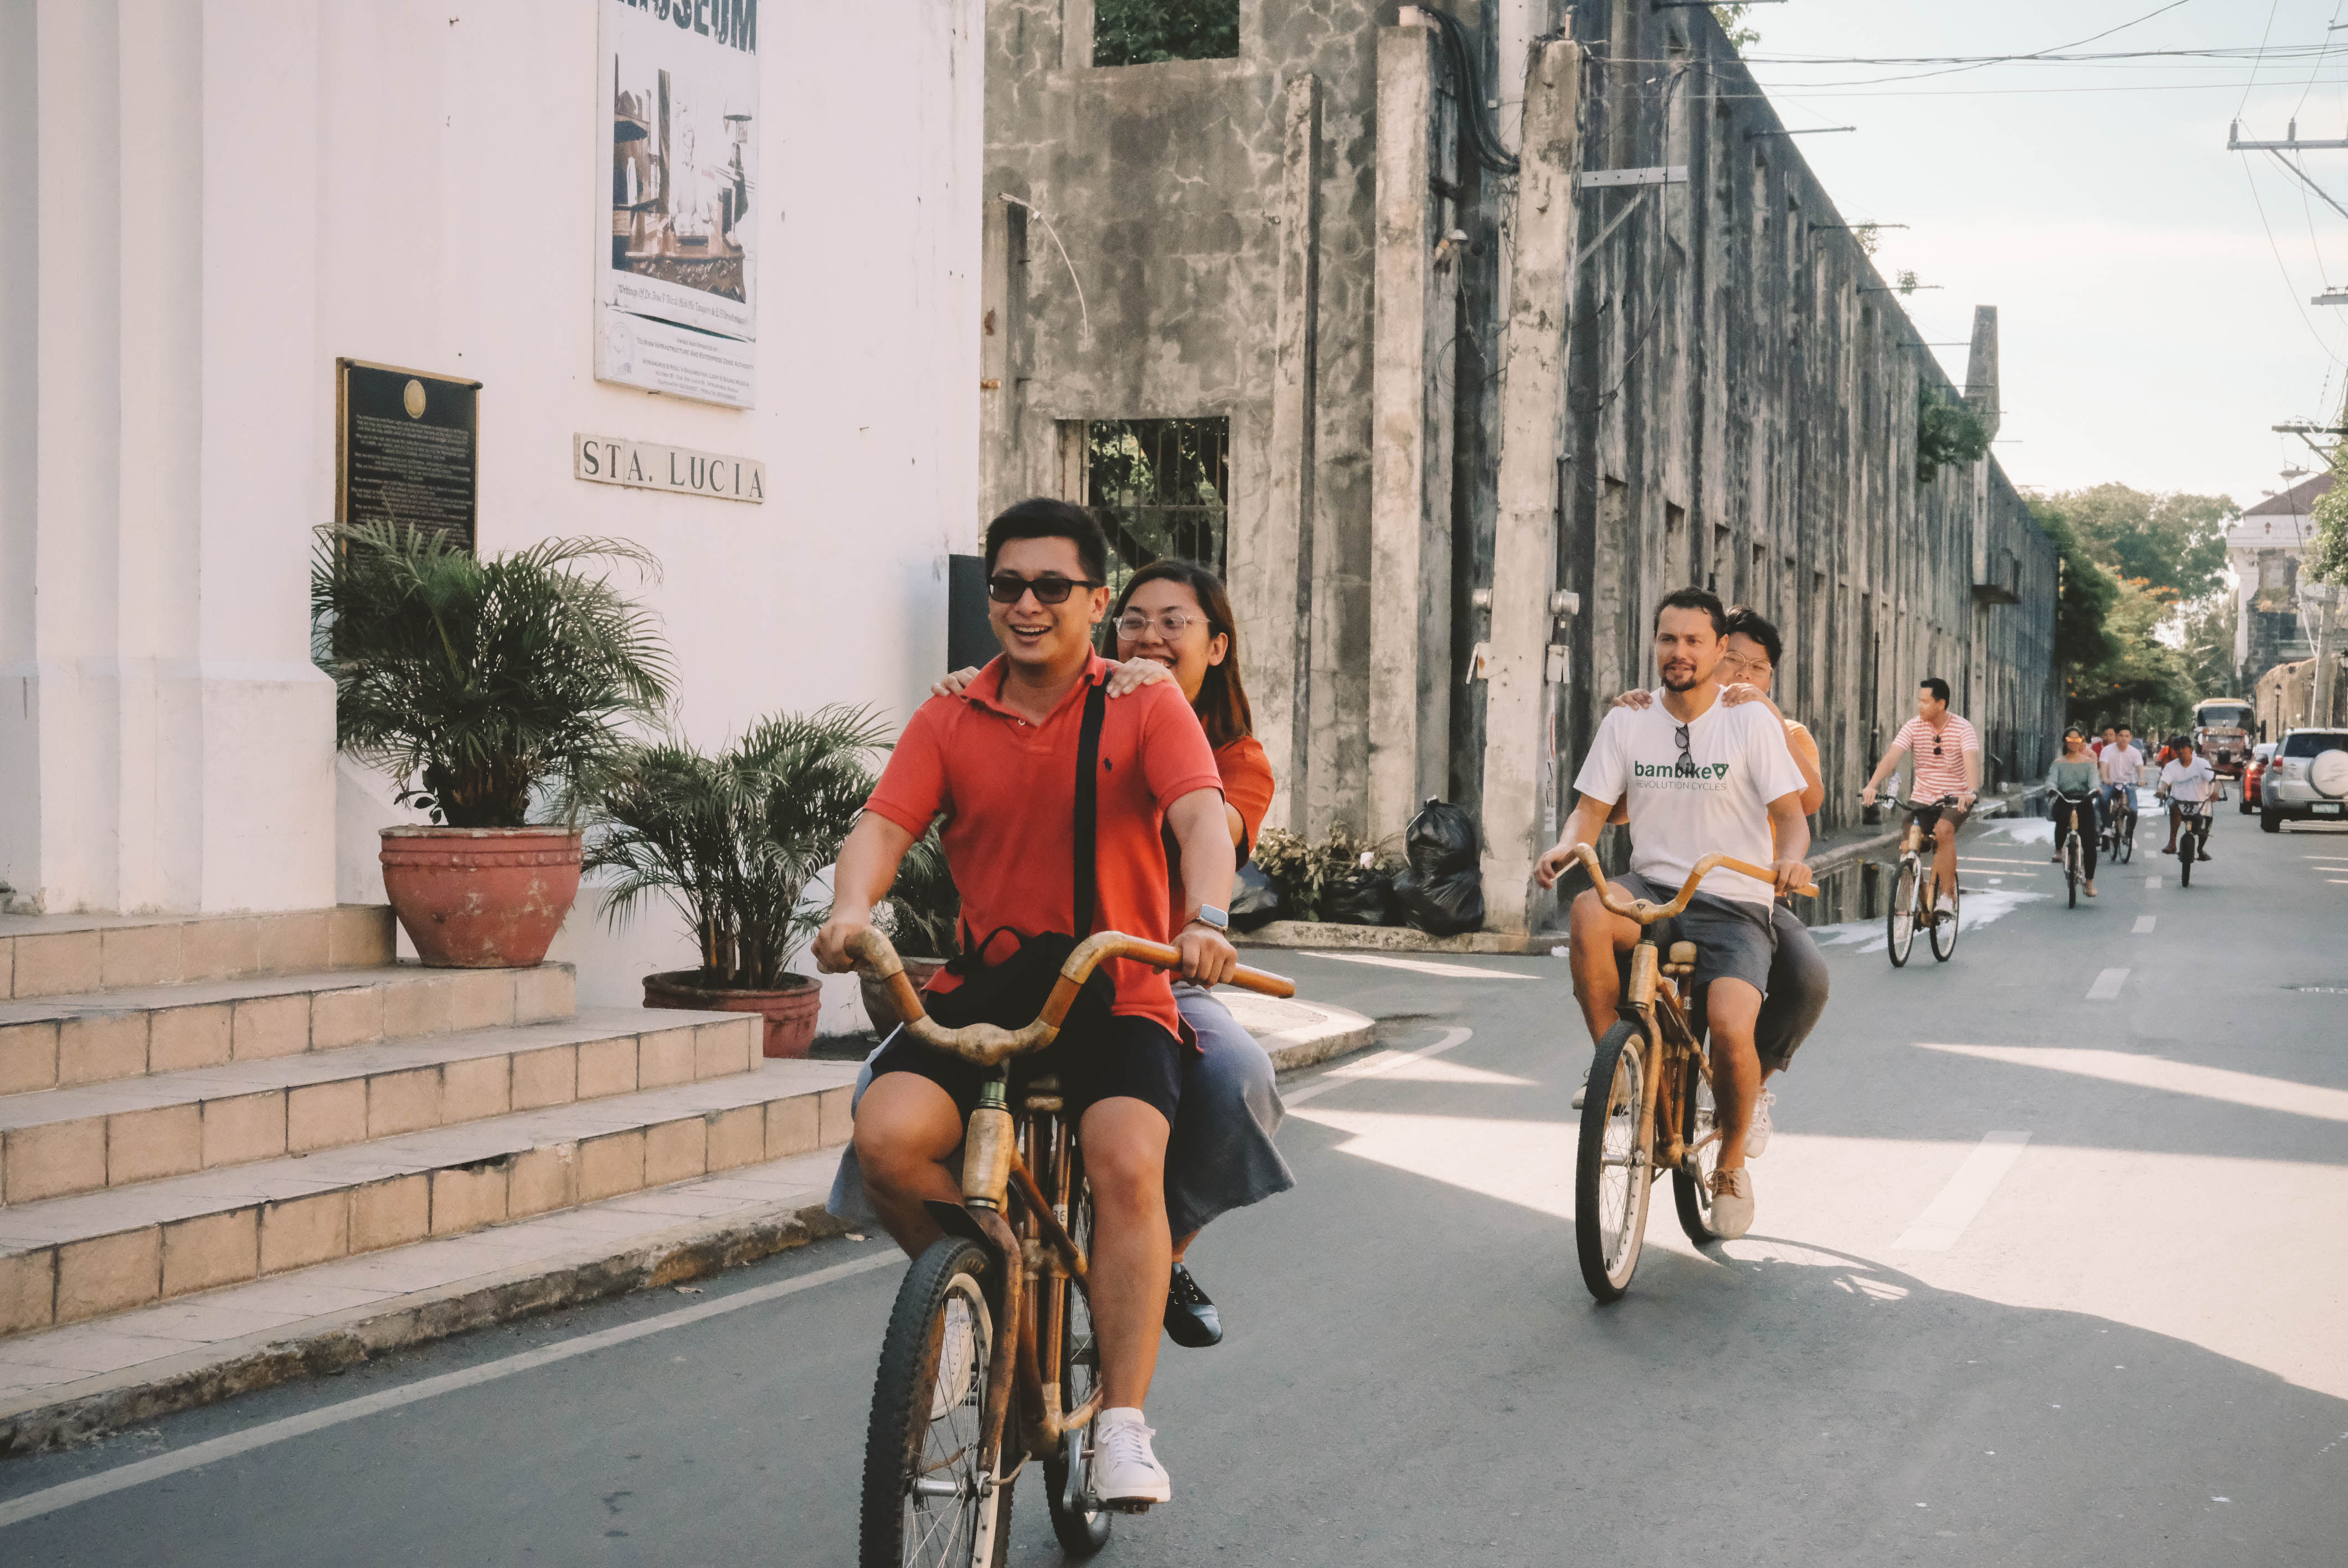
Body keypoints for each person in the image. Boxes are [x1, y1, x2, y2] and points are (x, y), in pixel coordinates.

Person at [813, 498, 1238, 1508]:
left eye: (1054, 586)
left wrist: (1208, 914)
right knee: (887, 1139)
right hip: (989, 984)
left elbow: (1198, 816)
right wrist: (848, 908)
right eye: (1008, 585)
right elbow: (884, 823)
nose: (1028, 604)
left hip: (1117, 978)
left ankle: (1124, 1425)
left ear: (1097, 600)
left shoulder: (1144, 702)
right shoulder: (952, 713)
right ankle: (983, 1303)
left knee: (1128, 1161)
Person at [926, 559, 1293, 1350]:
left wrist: (1204, 923)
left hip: (1160, 973)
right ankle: (958, 1275)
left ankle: (1164, 1251)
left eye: (1174, 623)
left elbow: (1206, 829)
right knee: (891, 1087)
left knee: (1240, 1080)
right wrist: (988, 695)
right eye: (1133, 620)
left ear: (1217, 646)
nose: (1150, 637)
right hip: (1034, 969)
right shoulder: (1075, 706)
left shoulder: (1236, 758)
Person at [1533, 586, 1812, 1240]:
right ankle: (1620, 1070)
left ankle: (1732, 1163)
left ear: (1720, 650)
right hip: (1652, 889)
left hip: (1735, 901)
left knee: (1728, 1023)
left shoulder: (1749, 721)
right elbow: (1593, 812)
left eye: (1693, 640)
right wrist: (1568, 846)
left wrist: (1793, 862)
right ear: (1654, 644)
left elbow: (1791, 820)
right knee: (1588, 912)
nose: (1679, 652)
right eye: (1668, 639)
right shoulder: (1628, 719)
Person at [1594, 605, 1829, 1153]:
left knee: (1808, 981)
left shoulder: (1777, 729)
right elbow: (1619, 809)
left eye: (1760, 668)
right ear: (1712, 658)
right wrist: (1637, 718)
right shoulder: (1673, 719)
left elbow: (1808, 802)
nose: (1744, 677)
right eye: (1735, 663)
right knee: (1611, 937)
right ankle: (1616, 1065)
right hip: (1667, 888)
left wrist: (1767, 714)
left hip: (1751, 896)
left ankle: (1750, 1092)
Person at [1859, 678, 1981, 919]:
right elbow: (1892, 757)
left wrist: (1972, 791)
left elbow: (1971, 761)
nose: (1920, 705)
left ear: (1941, 704)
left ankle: (1947, 896)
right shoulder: (1914, 726)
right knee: (1908, 846)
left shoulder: (1962, 728)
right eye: (1919, 700)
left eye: (1925, 701)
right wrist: (1872, 786)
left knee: (1944, 831)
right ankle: (1916, 894)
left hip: (1955, 799)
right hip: (1922, 800)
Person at [2047, 725, 2102, 898]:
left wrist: (2095, 790)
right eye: (2070, 740)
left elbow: (2094, 781)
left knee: (2090, 843)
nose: (2074, 743)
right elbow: (2052, 780)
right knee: (2061, 819)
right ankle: (2059, 850)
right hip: (2065, 798)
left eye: (2077, 740)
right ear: (2065, 742)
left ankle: (2090, 883)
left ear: (2082, 742)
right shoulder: (2058, 764)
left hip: (2084, 801)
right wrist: (2051, 789)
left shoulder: (2089, 764)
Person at [2159, 736, 2217, 860]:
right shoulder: (2171, 766)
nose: (2180, 751)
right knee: (2172, 805)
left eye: (2183, 748)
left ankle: (2201, 850)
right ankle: (2172, 843)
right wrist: (2160, 791)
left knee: (2203, 829)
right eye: (2177, 749)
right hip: (2180, 803)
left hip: (2201, 804)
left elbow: (2214, 780)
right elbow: (2164, 781)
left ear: (2191, 749)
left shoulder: (2202, 764)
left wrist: (2216, 792)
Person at [2099, 724, 2144, 848]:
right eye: (2121, 736)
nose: (2124, 739)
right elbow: (2103, 766)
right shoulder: (2107, 750)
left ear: (2131, 738)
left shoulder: (2135, 752)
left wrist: (2141, 779)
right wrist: (2105, 778)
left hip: (2128, 784)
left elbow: (2140, 767)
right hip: (2111, 783)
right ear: (2116, 737)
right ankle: (2107, 827)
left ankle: (2128, 836)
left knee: (2134, 810)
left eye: (2127, 736)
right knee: (2102, 798)